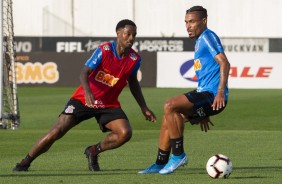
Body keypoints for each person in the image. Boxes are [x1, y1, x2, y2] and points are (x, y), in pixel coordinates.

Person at [13, 19, 157, 172]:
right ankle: (24, 163)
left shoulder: (135, 59)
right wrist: (88, 91)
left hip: (108, 104)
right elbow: (84, 72)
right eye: (128, 34)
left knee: (125, 133)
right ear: (118, 33)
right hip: (83, 99)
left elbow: (133, 82)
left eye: (134, 35)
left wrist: (144, 107)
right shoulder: (105, 50)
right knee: (56, 131)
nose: (131, 38)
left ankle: (93, 151)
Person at [138, 6, 230, 175]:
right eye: (186, 22)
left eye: (192, 22)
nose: (188, 26)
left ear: (204, 21)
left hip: (212, 95)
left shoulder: (207, 36)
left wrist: (220, 92)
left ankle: (178, 155)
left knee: (169, 105)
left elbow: (224, 62)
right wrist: (202, 111)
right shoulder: (199, 41)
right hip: (205, 96)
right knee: (169, 119)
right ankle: (160, 163)